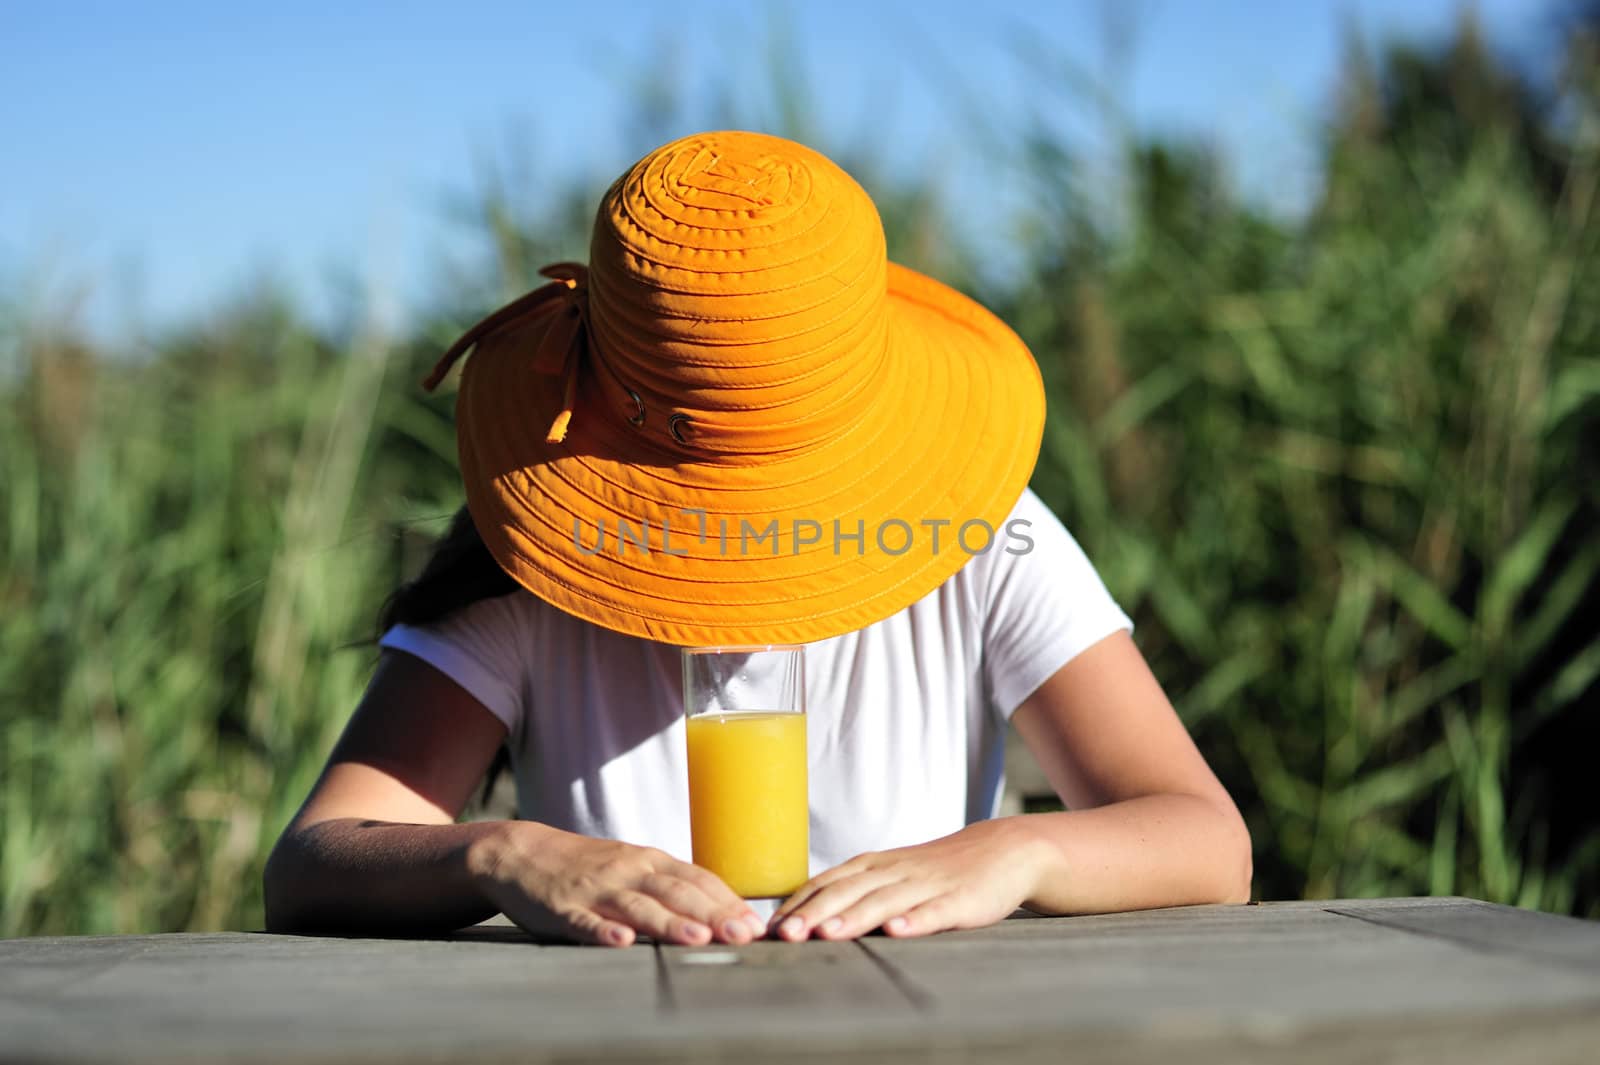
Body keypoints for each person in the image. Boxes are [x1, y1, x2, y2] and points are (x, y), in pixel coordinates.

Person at [263, 130, 1251, 948]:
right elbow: (310, 866)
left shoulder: (979, 536)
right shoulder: (526, 558)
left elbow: (1207, 841)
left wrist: (1016, 853)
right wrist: (501, 854)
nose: (745, 555)